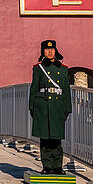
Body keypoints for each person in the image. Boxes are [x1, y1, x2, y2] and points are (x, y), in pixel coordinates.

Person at [29, 39, 71, 174]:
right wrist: (32, 107)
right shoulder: (38, 68)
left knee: (56, 139)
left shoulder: (63, 69)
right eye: (47, 49)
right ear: (43, 51)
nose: (50, 51)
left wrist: (67, 108)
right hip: (43, 106)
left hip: (58, 106)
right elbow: (34, 89)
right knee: (45, 138)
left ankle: (57, 166)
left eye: (52, 49)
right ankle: (47, 166)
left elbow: (66, 91)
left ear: (55, 50)